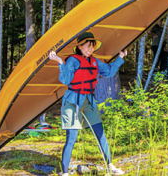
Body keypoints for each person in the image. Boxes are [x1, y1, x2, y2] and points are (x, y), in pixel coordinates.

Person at [49, 32, 126, 176]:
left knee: (100, 133)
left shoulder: (95, 61)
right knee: (71, 137)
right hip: (72, 101)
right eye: (88, 46)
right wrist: (60, 62)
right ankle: (64, 173)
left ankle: (110, 165)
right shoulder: (72, 60)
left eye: (92, 47)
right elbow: (66, 80)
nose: (90, 49)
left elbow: (109, 72)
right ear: (80, 46)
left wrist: (120, 57)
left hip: (89, 101)